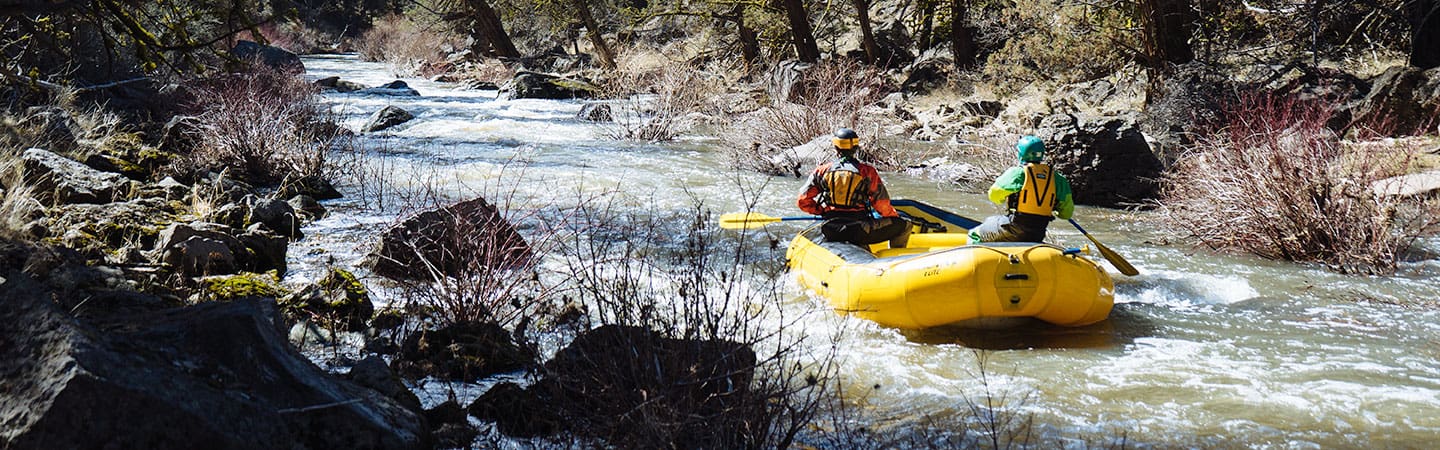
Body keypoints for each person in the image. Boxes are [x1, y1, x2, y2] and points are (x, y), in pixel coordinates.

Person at [797, 128, 910, 248]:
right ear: (856, 148)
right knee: (905, 225)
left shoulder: (821, 171)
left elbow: (802, 200)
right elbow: (881, 204)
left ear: (836, 148)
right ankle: (894, 257)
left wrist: (820, 210)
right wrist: (894, 217)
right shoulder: (867, 172)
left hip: (830, 228)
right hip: (858, 230)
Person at [968, 135, 1074, 243]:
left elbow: (994, 196)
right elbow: (1066, 214)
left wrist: (1004, 199)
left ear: (1021, 153)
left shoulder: (1017, 173)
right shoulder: (1059, 179)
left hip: (1014, 228)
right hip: (1038, 233)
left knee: (974, 233)